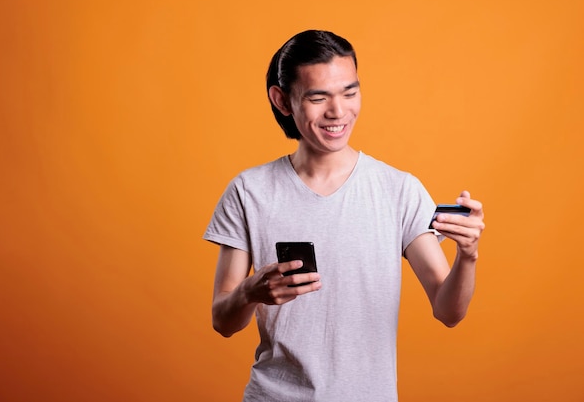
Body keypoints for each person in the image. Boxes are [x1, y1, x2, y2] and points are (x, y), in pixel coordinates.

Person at [203, 30, 485, 402]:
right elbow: (222, 321)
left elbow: (449, 311)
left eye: (350, 92)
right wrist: (249, 291)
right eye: (319, 97)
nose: (338, 111)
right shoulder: (249, 191)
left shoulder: (398, 190)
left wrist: (468, 256)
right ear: (282, 100)